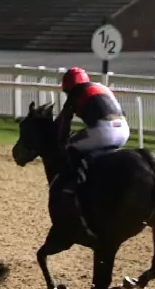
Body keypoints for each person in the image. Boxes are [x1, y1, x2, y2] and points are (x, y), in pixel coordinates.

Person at [54, 67, 130, 243]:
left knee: (70, 146)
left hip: (104, 131)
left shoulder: (75, 93)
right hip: (124, 130)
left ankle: (75, 187)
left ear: (69, 87)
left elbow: (63, 125)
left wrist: (61, 143)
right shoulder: (101, 87)